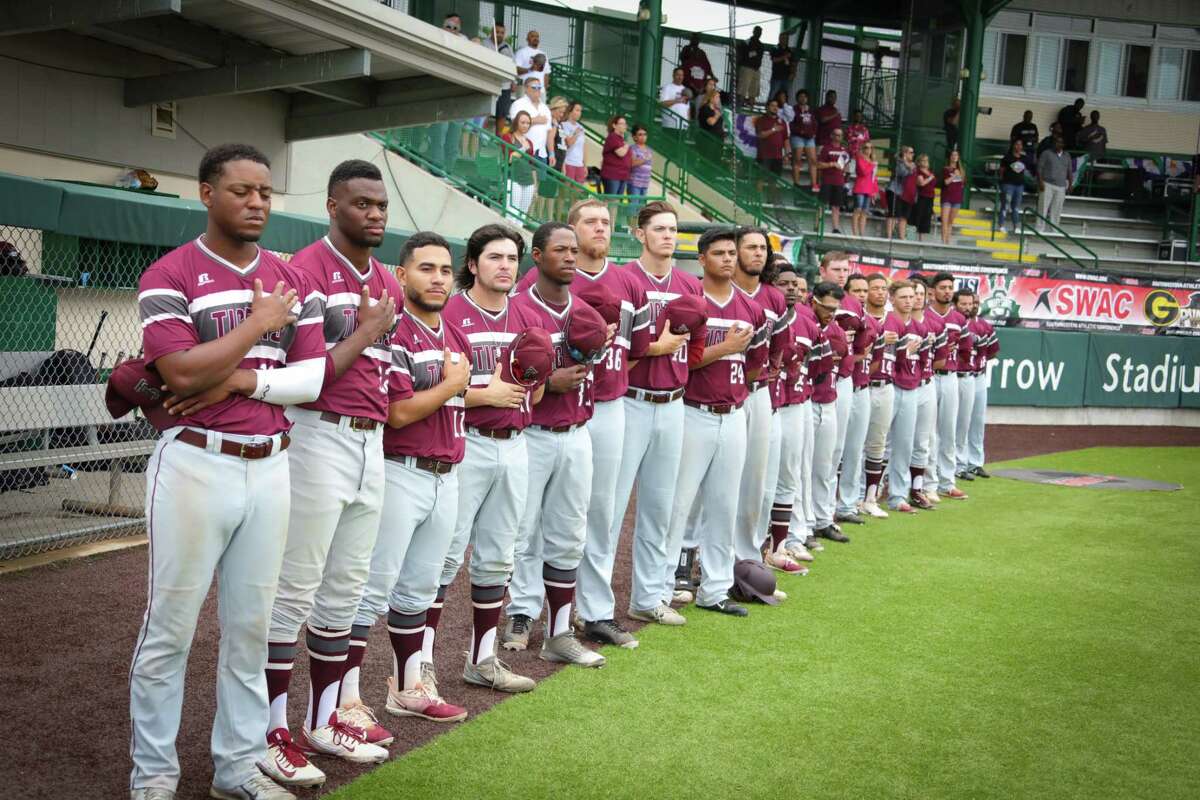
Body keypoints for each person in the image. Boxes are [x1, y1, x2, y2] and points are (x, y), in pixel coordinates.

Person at [130, 143, 327, 800]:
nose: (256, 202)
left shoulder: (289, 274)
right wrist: (259, 326)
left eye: (265, 192)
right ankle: (154, 778)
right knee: (170, 630)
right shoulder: (171, 272)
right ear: (207, 193)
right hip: (194, 463)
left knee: (250, 628)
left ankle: (237, 772)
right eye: (241, 190)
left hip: (270, 468)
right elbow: (179, 374)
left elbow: (312, 379)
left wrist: (235, 377)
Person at [258, 161, 400, 789]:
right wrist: (367, 329)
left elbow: (384, 370)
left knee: (344, 591)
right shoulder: (303, 269)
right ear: (333, 204)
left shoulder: (388, 280)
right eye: (361, 203)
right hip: (317, 436)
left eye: (381, 205)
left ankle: (323, 720)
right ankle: (269, 730)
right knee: (294, 591)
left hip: (373, 442)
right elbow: (308, 372)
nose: (374, 214)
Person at [345, 231, 474, 735]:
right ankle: (346, 699)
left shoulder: (452, 334)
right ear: (402, 275)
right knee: (370, 592)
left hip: (447, 473)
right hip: (401, 471)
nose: (438, 278)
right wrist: (449, 386)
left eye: (445, 270)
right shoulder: (394, 330)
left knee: (419, 591)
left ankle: (407, 689)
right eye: (426, 269)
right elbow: (397, 413)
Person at [438, 224, 548, 694]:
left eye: (511, 258)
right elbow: (432, 388)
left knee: (499, 558)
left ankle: (483, 659)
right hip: (467, 442)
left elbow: (534, 390)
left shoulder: (524, 315)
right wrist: (485, 395)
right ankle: (418, 667)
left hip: (516, 443)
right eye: (494, 257)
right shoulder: (449, 312)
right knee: (443, 558)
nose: (505, 266)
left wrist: (535, 380)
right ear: (472, 264)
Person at [501, 223, 607, 668]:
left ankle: (560, 631)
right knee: (520, 533)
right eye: (560, 249)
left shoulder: (586, 312)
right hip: (531, 434)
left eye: (574, 250)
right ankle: (520, 613)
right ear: (537, 256)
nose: (570, 256)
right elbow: (506, 377)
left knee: (569, 532)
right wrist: (548, 381)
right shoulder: (517, 309)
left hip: (577, 432)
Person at [561, 199, 651, 649]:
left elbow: (635, 349)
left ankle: (596, 611)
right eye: (590, 222)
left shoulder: (629, 282)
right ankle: (524, 610)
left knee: (605, 511)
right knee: (547, 513)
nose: (599, 229)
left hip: (611, 403)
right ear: (572, 229)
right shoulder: (553, 278)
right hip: (557, 408)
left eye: (605, 223)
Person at [610, 201, 703, 623]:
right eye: (660, 228)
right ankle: (593, 605)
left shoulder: (689, 283)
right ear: (639, 232)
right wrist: (653, 348)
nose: (668, 235)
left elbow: (698, 344)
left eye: (673, 229)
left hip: (673, 403)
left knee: (659, 508)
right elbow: (612, 345)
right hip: (629, 399)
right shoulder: (622, 279)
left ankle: (647, 599)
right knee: (609, 510)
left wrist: (679, 356)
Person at [666, 227, 766, 618]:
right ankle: (664, 584)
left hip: (734, 412)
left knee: (724, 505)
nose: (727, 259)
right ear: (702, 259)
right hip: (694, 410)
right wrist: (724, 348)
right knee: (679, 503)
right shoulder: (689, 302)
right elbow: (683, 361)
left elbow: (756, 361)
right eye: (719, 253)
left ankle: (715, 588)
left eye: (731, 253)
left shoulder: (751, 307)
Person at [728, 229, 792, 574]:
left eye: (762, 248)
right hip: (722, 393)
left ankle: (747, 557)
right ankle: (693, 559)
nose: (757, 253)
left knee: (755, 477)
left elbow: (780, 346)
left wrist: (765, 373)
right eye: (750, 247)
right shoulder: (719, 290)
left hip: (758, 393)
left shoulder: (774, 297)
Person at [769, 266, 824, 565]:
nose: (791, 289)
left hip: (793, 403)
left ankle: (784, 542)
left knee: (789, 474)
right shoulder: (761, 312)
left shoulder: (807, 322)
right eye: (784, 284)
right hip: (759, 402)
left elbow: (815, 368)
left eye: (796, 285)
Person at [833, 272, 877, 526]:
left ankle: (848, 503)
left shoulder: (860, 314)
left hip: (853, 382)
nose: (861, 294)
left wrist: (852, 357)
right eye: (857, 290)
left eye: (864, 290)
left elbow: (862, 348)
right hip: (829, 383)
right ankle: (827, 510)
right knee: (832, 451)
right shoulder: (827, 303)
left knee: (853, 448)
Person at [808, 280, 848, 542]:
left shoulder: (838, 331)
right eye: (826, 307)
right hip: (805, 401)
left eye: (835, 309)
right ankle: (804, 526)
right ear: (814, 301)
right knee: (802, 469)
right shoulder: (804, 324)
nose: (831, 313)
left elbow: (844, 366)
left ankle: (823, 520)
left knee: (826, 465)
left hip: (829, 399)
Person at [925, 272, 969, 502]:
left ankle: (947, 482)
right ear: (932, 291)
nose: (947, 291)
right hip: (929, 376)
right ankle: (929, 483)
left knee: (948, 431)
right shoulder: (924, 315)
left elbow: (964, 349)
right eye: (942, 287)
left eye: (950, 287)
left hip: (950, 375)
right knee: (929, 433)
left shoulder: (959, 319)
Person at [861, 273, 901, 518]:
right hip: (862, 385)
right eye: (874, 288)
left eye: (883, 288)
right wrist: (877, 340)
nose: (879, 292)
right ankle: (850, 498)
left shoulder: (895, 320)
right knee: (852, 447)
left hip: (885, 385)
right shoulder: (859, 318)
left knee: (878, 443)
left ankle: (870, 497)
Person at [884, 279, 922, 514]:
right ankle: (864, 493)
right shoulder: (888, 322)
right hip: (888, 385)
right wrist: (904, 352)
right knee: (876, 445)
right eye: (904, 297)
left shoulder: (920, 327)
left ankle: (898, 495)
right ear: (892, 299)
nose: (910, 301)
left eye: (913, 296)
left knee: (904, 445)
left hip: (910, 388)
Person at [906, 277, 937, 510]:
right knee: (891, 442)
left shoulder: (932, 324)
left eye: (920, 293)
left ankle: (917, 488)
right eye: (913, 292)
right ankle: (886, 487)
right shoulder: (896, 322)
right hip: (903, 385)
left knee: (922, 441)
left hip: (926, 382)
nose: (917, 297)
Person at [966, 306, 998, 479]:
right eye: (966, 303)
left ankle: (976, 462)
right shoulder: (957, 323)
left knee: (977, 421)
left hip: (978, 376)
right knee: (959, 423)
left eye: (974, 302)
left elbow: (992, 352)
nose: (971, 306)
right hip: (960, 376)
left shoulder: (985, 326)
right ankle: (960, 464)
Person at [952, 290, 978, 484]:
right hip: (950, 375)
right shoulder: (951, 322)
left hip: (968, 376)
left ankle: (960, 466)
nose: (968, 307)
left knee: (963, 424)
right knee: (941, 427)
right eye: (963, 304)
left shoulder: (980, 325)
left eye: (970, 303)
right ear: (955, 304)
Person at [508, 77, 552, 164]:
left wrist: (551, 153)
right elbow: (515, 123)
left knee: (541, 178)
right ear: (526, 88)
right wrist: (536, 120)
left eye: (539, 87)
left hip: (542, 153)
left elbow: (549, 132)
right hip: (524, 150)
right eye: (534, 87)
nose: (537, 89)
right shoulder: (519, 104)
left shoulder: (545, 108)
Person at [500, 111, 536, 217]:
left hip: (528, 179)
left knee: (523, 213)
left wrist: (535, 185)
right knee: (512, 210)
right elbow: (510, 158)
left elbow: (532, 164)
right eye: (523, 122)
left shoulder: (530, 142)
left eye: (528, 123)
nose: (525, 125)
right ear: (516, 123)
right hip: (513, 177)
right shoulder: (507, 137)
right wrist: (523, 148)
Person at [485, 21, 517, 131]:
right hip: (488, 83)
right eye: (497, 31)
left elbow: (513, 65)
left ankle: (500, 140)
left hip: (505, 86)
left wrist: (514, 82)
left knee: (502, 113)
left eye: (502, 32)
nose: (499, 34)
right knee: (485, 111)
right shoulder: (485, 44)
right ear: (491, 32)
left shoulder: (508, 47)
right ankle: (479, 137)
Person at [818, 128, 850, 234]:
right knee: (822, 204)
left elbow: (846, 165)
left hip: (839, 181)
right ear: (832, 135)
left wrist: (845, 170)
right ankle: (817, 225)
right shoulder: (826, 148)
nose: (837, 137)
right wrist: (831, 164)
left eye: (840, 135)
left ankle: (835, 228)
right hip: (827, 180)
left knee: (836, 205)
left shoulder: (844, 150)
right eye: (836, 135)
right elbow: (819, 164)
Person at [1038, 136, 1072, 231]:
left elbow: (1069, 171)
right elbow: (1039, 168)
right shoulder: (1046, 153)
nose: (1058, 144)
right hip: (1047, 184)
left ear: (1063, 144)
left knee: (1057, 210)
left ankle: (1054, 230)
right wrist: (1040, 181)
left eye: (1061, 142)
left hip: (1061, 186)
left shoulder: (1067, 155)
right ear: (1053, 143)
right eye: (1057, 142)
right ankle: (1039, 229)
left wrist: (1070, 184)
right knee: (1043, 208)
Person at [790, 89, 819, 191]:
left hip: (809, 138)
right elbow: (791, 124)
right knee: (797, 159)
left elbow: (814, 122)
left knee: (813, 160)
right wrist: (800, 131)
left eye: (805, 97)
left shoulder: (810, 110)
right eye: (801, 96)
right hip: (798, 137)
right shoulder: (793, 109)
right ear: (797, 98)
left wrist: (814, 132)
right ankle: (796, 183)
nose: (803, 98)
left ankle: (814, 184)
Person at [999, 140, 1028, 233]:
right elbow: (1001, 171)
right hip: (1008, 184)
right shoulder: (1007, 158)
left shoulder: (1024, 158)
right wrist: (1002, 182)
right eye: (1016, 144)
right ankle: (1001, 225)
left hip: (1019, 185)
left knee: (1016, 207)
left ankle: (1016, 226)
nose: (1018, 146)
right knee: (1005, 205)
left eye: (1020, 144)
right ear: (1013, 146)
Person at [886, 146, 915, 240]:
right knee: (893, 214)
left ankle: (900, 237)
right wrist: (902, 161)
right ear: (905, 154)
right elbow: (902, 172)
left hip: (903, 193)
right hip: (893, 190)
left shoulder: (911, 164)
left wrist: (904, 162)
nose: (912, 154)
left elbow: (912, 170)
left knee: (900, 215)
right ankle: (889, 236)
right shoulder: (898, 163)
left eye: (912, 152)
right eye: (910, 152)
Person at [755, 99, 789, 176]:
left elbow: (786, 139)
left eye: (777, 106)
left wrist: (787, 155)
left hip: (778, 156)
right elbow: (760, 135)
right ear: (767, 107)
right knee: (760, 179)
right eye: (772, 105)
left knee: (774, 181)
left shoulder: (782, 121)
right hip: (764, 155)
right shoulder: (761, 120)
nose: (775, 108)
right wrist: (773, 129)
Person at [852, 142, 879, 238]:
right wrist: (872, 165)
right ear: (862, 148)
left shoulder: (872, 161)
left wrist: (875, 190)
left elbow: (874, 178)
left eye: (871, 147)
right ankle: (854, 233)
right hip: (860, 188)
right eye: (866, 147)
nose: (869, 149)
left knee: (865, 212)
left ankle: (861, 234)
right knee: (857, 210)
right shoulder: (860, 158)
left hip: (869, 189)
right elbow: (863, 172)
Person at [600, 115, 632, 195]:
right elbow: (621, 153)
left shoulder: (621, 139)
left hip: (622, 175)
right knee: (611, 201)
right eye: (622, 123)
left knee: (617, 202)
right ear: (614, 125)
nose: (625, 126)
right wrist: (626, 146)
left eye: (625, 124)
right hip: (613, 175)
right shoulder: (613, 137)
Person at [940, 150, 966, 245]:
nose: (954, 156)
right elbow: (946, 182)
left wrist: (959, 174)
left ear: (958, 157)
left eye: (956, 155)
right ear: (950, 157)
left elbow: (963, 184)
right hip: (947, 197)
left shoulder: (962, 170)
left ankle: (948, 240)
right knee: (944, 220)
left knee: (951, 221)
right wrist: (954, 175)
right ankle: (943, 241)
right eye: (953, 155)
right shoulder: (945, 169)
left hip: (957, 198)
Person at [909, 154, 936, 241]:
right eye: (923, 160)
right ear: (919, 162)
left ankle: (921, 240)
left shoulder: (930, 172)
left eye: (927, 160)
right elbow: (921, 183)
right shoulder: (918, 171)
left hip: (930, 198)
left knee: (926, 218)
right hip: (921, 197)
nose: (925, 162)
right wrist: (930, 178)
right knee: (918, 217)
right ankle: (913, 238)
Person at [680, 33, 715, 98]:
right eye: (694, 39)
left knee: (711, 95)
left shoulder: (701, 52)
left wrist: (713, 76)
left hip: (701, 87)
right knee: (688, 94)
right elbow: (682, 60)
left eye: (697, 39)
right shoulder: (686, 49)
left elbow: (708, 67)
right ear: (691, 40)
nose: (695, 41)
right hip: (688, 86)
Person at [560, 100, 588, 183]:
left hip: (579, 164)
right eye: (577, 110)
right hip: (569, 163)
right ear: (570, 111)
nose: (579, 113)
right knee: (567, 191)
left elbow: (583, 148)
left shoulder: (581, 128)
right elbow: (568, 143)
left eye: (580, 111)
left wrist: (585, 165)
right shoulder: (564, 125)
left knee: (578, 192)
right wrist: (575, 133)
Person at [736, 26, 766, 105]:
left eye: (760, 32)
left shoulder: (760, 44)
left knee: (754, 91)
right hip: (747, 68)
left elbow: (758, 55)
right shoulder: (747, 41)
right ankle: (739, 106)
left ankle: (751, 108)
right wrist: (752, 53)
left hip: (756, 69)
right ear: (753, 32)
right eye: (757, 31)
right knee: (742, 89)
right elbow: (743, 53)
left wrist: (752, 53)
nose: (759, 33)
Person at [697, 89, 725, 163]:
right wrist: (716, 116)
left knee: (717, 160)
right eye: (717, 97)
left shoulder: (717, 109)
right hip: (708, 141)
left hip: (718, 140)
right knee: (708, 160)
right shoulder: (705, 109)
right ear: (711, 98)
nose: (718, 100)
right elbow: (711, 122)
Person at [768, 31, 795, 102]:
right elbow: (774, 59)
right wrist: (785, 57)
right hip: (777, 77)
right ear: (779, 39)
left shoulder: (790, 50)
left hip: (787, 77)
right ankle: (769, 109)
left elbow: (793, 63)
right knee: (773, 94)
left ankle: (787, 112)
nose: (785, 40)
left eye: (786, 38)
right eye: (783, 38)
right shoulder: (775, 48)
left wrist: (793, 73)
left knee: (788, 96)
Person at [1010, 110, 1040, 174]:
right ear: (1024, 116)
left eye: (1030, 117)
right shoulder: (1017, 126)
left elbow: (1036, 138)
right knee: (1020, 168)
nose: (1029, 118)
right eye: (1027, 116)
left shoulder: (1033, 126)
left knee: (1030, 167)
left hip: (1031, 150)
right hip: (1021, 150)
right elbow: (1013, 140)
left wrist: (1035, 145)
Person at [628, 125, 654, 197]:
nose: (643, 137)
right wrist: (644, 159)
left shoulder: (649, 150)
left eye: (645, 134)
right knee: (633, 206)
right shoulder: (632, 148)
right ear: (634, 137)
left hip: (645, 183)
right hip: (634, 183)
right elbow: (632, 163)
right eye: (640, 134)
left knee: (642, 207)